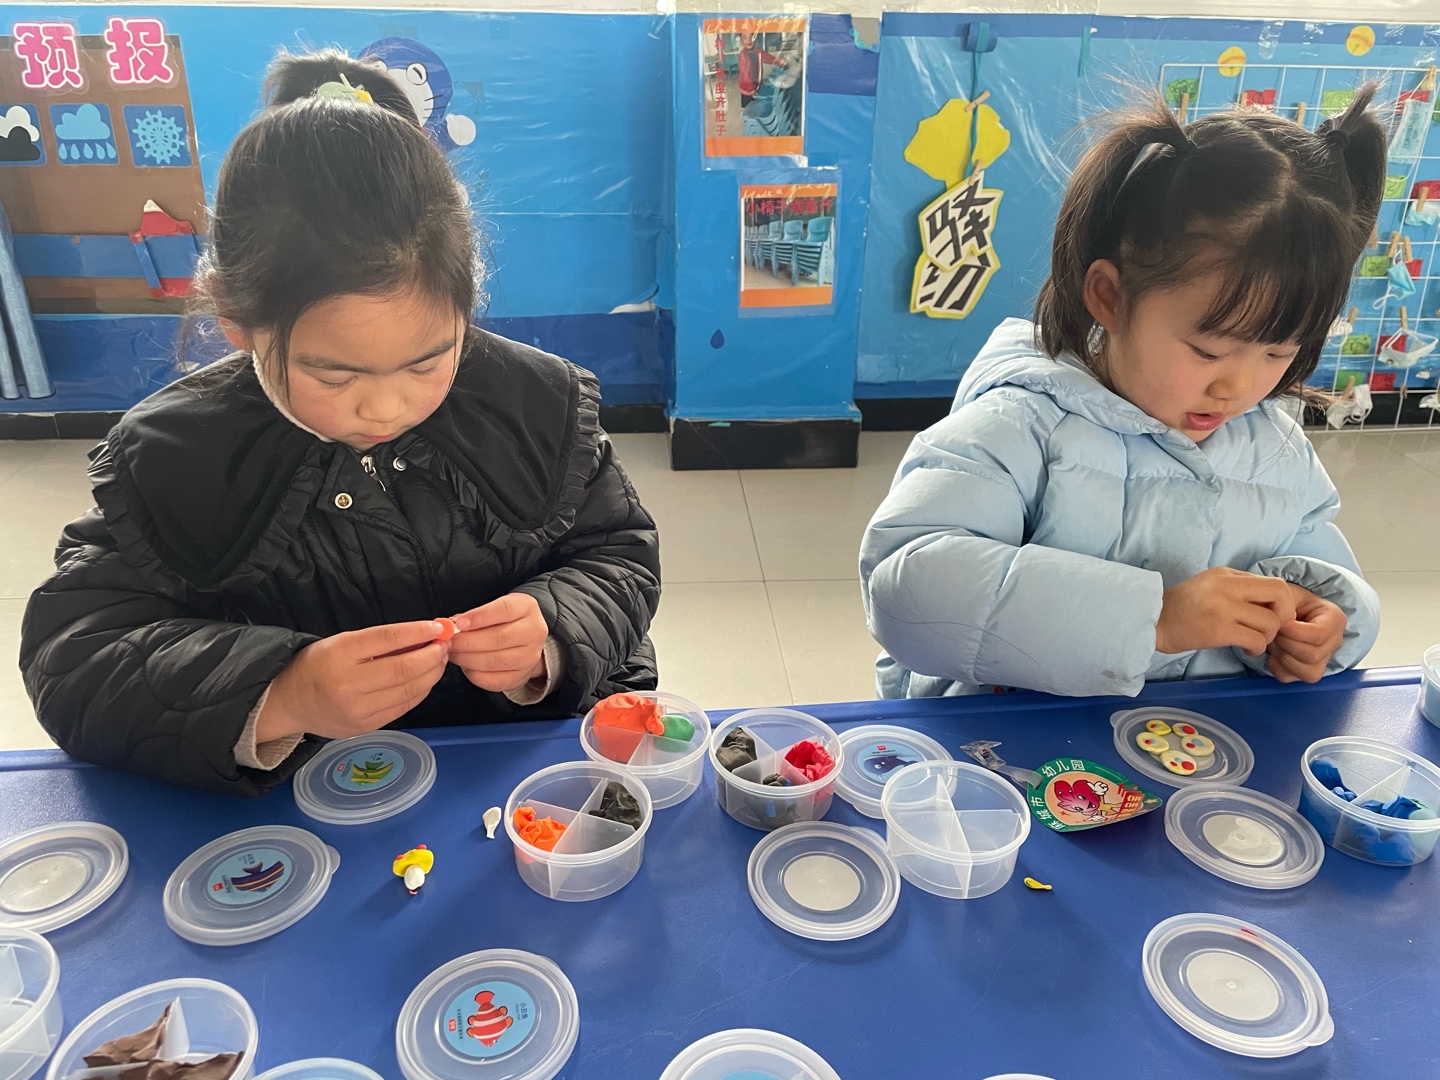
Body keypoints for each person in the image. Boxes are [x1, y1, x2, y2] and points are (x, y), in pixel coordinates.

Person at [20, 51, 661, 795]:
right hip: (301, 800)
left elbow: (619, 553)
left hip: (524, 772)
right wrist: (281, 692)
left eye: (429, 361)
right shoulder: (169, 455)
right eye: (335, 376)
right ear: (235, 319)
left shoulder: (538, 401)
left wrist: (551, 631)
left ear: (468, 301)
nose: (387, 407)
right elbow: (73, 658)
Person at [860, 88, 1386, 699]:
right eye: (1208, 350)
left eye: (1278, 352)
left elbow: (1326, 572)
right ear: (1109, 297)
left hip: (1191, 742)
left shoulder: (1277, 451)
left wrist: (1328, 622)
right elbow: (907, 589)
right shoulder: (1018, 424)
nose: (1238, 388)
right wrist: (1153, 619)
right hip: (1006, 745)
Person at [735, 31, 787, 110]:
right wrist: (750, 89)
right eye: (745, 38)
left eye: (751, 37)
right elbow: (745, 75)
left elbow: (768, 58)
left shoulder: (758, 52)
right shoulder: (743, 55)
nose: (749, 40)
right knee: (747, 109)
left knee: (756, 108)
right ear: (741, 42)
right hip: (747, 90)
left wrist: (779, 61)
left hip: (755, 87)